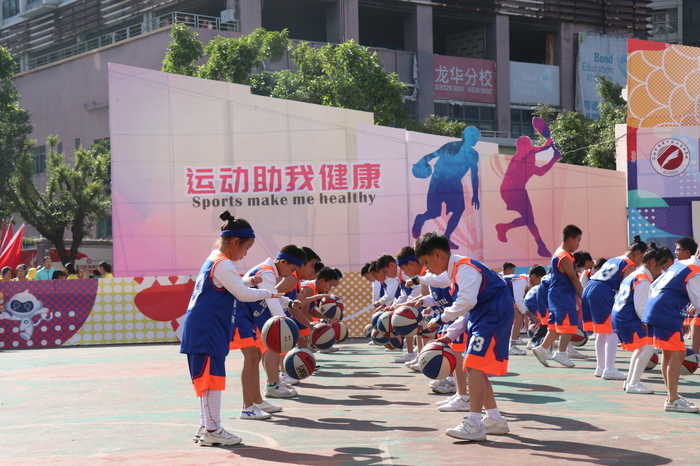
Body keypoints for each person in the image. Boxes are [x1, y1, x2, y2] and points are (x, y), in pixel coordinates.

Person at [180, 210, 282, 446]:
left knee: (209, 378)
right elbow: (243, 294)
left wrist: (247, 280)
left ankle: (207, 425)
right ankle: (212, 429)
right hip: (207, 329)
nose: (246, 254)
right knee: (210, 379)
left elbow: (231, 284)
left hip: (205, 328)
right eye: (246, 248)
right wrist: (268, 293)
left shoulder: (215, 260)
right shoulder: (223, 264)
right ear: (235, 242)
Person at [416, 231, 512, 441]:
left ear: (438, 254)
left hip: (493, 315)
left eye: (426, 262)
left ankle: (474, 423)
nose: (427, 268)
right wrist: (450, 335)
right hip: (484, 315)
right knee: (474, 366)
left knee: (473, 365)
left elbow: (466, 303)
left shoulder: (465, 269)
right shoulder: (455, 272)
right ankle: (494, 419)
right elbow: (467, 311)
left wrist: (441, 319)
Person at [230, 245, 306, 416]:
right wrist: (286, 325)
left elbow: (271, 296)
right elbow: (271, 302)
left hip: (247, 318)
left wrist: (289, 303)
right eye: (292, 269)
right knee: (252, 357)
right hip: (240, 317)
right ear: (283, 262)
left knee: (255, 356)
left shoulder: (268, 272)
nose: (290, 274)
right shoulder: (266, 272)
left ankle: (257, 401)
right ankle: (247, 408)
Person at [643, 246, 700, 413]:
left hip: (657, 308)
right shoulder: (695, 270)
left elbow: (654, 285)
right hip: (666, 311)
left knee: (668, 353)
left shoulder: (681, 264)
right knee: (678, 353)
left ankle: (672, 396)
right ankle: (672, 399)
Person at [582, 236, 647, 380]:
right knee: (613, 330)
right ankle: (609, 369)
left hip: (590, 287)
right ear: (638, 254)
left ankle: (601, 367)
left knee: (601, 332)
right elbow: (626, 289)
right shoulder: (630, 265)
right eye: (643, 259)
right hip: (602, 291)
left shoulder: (613, 259)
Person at [496, 119, 561, 257]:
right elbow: (541, 172)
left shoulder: (528, 152)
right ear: (521, 147)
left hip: (517, 190)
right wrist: (554, 159)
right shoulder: (521, 160)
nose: (531, 148)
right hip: (511, 191)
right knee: (529, 219)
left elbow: (543, 148)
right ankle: (540, 245)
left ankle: (506, 228)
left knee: (529, 219)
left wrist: (549, 141)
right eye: (527, 145)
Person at [411, 126, 481, 249]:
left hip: (452, 184)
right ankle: (421, 219)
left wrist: (475, 194)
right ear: (468, 137)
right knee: (435, 212)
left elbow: (474, 176)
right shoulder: (452, 146)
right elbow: (433, 155)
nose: (476, 139)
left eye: (477, 137)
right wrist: (421, 162)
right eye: (475, 137)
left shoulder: (473, 154)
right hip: (440, 181)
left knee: (457, 210)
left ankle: (446, 236)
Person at [612, 243, 668, 394]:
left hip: (621, 316)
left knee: (642, 348)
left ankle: (630, 382)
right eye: (659, 267)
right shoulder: (643, 279)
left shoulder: (635, 274)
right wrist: (651, 324)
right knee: (649, 347)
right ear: (652, 262)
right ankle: (634, 383)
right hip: (628, 318)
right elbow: (641, 307)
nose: (660, 271)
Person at [533, 225, 583, 368]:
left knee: (556, 326)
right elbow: (573, 278)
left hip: (556, 295)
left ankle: (543, 348)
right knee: (569, 325)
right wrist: (583, 295)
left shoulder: (558, 253)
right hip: (563, 296)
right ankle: (561, 353)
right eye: (578, 240)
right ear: (570, 239)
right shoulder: (564, 256)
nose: (578, 245)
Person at [504, 265, 546, 355]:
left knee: (519, 316)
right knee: (519, 317)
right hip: (492, 296)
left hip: (499, 298)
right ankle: (511, 346)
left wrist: (530, 316)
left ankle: (511, 345)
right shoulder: (521, 281)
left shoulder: (524, 281)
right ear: (533, 276)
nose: (540, 283)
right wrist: (526, 318)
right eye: (540, 279)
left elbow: (520, 303)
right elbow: (518, 300)